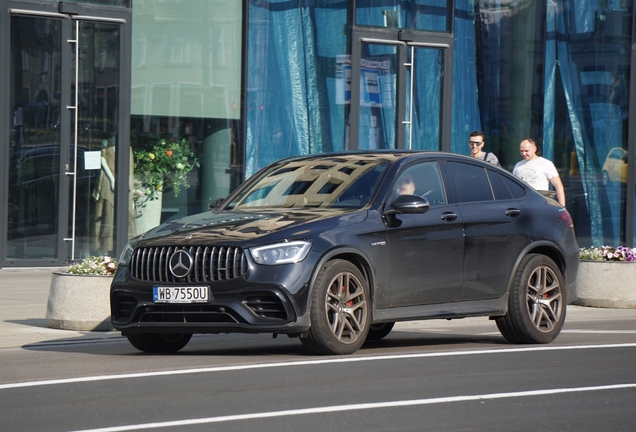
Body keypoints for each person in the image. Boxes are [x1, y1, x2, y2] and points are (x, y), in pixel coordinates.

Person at [513, 137, 566, 206]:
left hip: (541, 202)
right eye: (521, 151)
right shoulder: (518, 166)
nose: (523, 153)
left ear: (534, 149)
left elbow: (558, 186)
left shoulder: (545, 163)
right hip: (523, 203)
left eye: (526, 151)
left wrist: (562, 207)